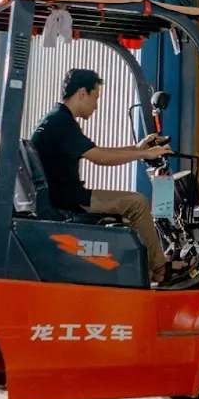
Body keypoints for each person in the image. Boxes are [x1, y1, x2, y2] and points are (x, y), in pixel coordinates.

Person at [30, 68, 172, 284]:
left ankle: (141, 271)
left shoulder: (56, 119)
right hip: (70, 200)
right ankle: (160, 269)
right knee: (138, 203)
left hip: (64, 195)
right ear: (81, 93)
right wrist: (145, 153)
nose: (96, 106)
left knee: (129, 216)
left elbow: (99, 150)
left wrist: (137, 148)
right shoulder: (61, 123)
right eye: (95, 98)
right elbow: (101, 158)